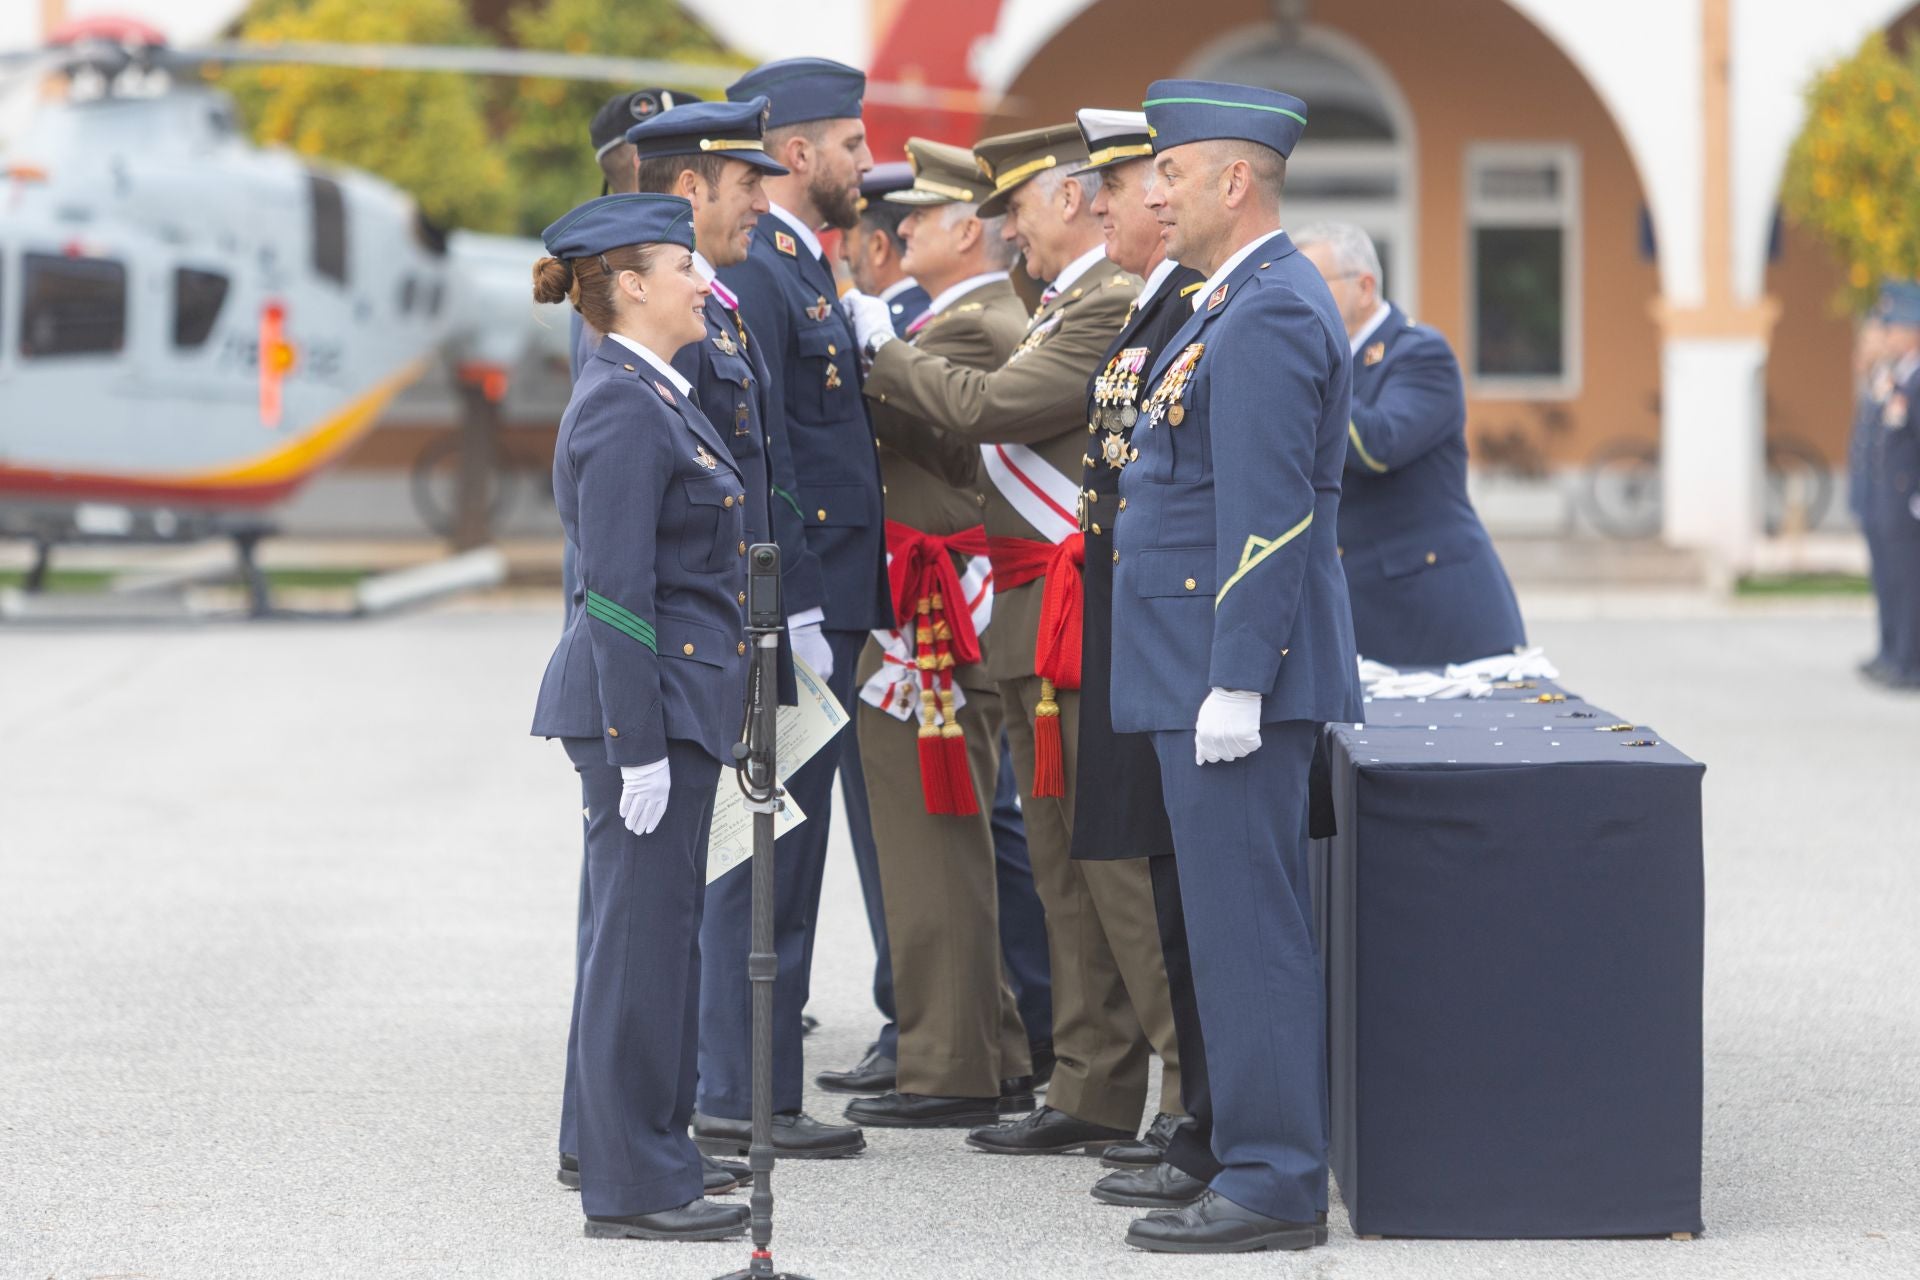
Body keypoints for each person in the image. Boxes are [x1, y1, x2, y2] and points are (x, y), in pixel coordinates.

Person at [844, 123, 1183, 1160]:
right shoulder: (1062, 307)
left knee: (1113, 868)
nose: (1007, 231)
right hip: (1038, 626)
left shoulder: (1102, 307)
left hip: (1073, 619)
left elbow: (988, 409)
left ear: (1073, 201)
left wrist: (876, 341)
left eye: (1018, 208)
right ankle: (1090, 1083)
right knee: (1063, 866)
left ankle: (1189, 1094)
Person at [1111, 80, 1362, 1254]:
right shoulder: (1232, 302)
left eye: (1170, 170)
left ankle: (1273, 1175)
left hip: (1230, 674)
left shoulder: (1264, 312)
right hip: (1197, 665)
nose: (1152, 189)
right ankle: (1245, 1148)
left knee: (1248, 925)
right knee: (1226, 921)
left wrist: (1240, 677)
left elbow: (1266, 514)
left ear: (1233, 181)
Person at [529, 192, 751, 1243]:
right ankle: (630, 1182)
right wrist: (638, 750)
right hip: (645, 711)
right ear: (628, 284)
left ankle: (660, 1151)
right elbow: (615, 591)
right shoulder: (621, 402)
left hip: (676, 701)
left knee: (666, 942)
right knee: (638, 945)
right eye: (682, 265)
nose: (703, 281)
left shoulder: (654, 389)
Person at [693, 56, 886, 1162]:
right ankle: (742, 1093)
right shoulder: (765, 270)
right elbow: (762, 458)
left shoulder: (804, 267)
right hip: (795, 611)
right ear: (802, 153)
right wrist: (795, 603)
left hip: (827, 605)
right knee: (766, 850)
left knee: (789, 855)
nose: (866, 163)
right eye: (852, 145)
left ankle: (756, 1087)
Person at [825, 138, 1037, 1129]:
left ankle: (948, 1062)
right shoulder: (957, 316)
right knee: (938, 830)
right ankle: (978, 1045)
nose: (896, 231)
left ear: (967, 230)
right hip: (929, 595)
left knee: (931, 833)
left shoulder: (975, 322)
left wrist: (861, 341)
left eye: (917, 218)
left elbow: (922, 419)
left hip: (932, 607)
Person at [1060, 107, 1218, 1208]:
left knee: (1189, 893)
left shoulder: (1197, 309)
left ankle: (1205, 1114)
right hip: (1136, 621)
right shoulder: (1157, 304)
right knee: (1160, 883)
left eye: (1112, 188)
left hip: (1173, 630)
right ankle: (1196, 1111)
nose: (1102, 207)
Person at [1295, 222, 1525, 667]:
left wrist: (1312, 370)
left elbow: (1378, 445)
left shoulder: (1419, 352)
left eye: (1313, 284)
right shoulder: (1332, 361)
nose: (1299, 298)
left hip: (1436, 612)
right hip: (1360, 609)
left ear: (1364, 287)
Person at [1864, 281, 1920, 690]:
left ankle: (1908, 660)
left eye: (1897, 326)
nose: (1890, 335)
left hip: (1909, 501)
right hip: (1893, 500)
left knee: (1910, 585)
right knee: (1897, 583)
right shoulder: (1899, 377)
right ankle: (1898, 655)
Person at [840, 162, 930, 336]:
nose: (841, 253)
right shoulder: (932, 315)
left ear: (879, 246)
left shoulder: (885, 330)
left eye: (846, 239)